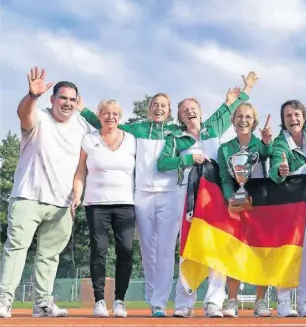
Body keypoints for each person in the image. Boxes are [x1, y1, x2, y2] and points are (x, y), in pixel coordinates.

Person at [75, 72, 254, 317]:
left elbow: (222, 113)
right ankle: (155, 300)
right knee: (149, 251)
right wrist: (83, 110)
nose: (159, 108)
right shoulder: (138, 129)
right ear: (151, 109)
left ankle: (183, 301)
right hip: (143, 196)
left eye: (164, 106)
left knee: (171, 249)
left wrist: (243, 92)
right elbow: (107, 124)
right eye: (155, 104)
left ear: (170, 113)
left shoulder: (182, 131)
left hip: (177, 195)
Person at [157, 73, 258, 318]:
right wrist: (187, 158)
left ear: (200, 112)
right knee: (189, 248)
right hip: (188, 197)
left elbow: (230, 109)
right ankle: (185, 302)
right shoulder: (176, 138)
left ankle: (214, 301)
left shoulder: (213, 128)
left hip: (215, 197)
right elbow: (162, 163)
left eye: (192, 108)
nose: (189, 112)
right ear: (180, 118)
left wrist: (246, 89)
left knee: (217, 247)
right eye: (184, 111)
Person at [0, 67, 92, 318]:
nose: (67, 103)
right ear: (52, 99)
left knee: (50, 256)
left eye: (73, 100)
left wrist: (77, 194)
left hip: (62, 203)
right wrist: (31, 95)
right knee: (17, 247)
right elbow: (23, 115)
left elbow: (80, 167)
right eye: (63, 98)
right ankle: (4, 298)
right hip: (28, 195)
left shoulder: (81, 127)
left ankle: (42, 303)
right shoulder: (38, 116)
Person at [72, 99, 136, 317]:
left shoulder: (132, 141)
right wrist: (77, 195)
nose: (110, 116)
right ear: (98, 116)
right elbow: (81, 172)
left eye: (115, 113)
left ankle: (120, 300)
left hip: (126, 204)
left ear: (120, 117)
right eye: (105, 113)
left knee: (125, 251)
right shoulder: (89, 139)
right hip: (96, 204)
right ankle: (99, 300)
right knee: (99, 250)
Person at [216, 104, 273, 318]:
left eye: (248, 117)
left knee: (262, 253)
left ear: (254, 121)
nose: (243, 120)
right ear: (233, 120)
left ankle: (260, 302)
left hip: (262, 204)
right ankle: (231, 301)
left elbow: (268, 153)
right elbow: (224, 178)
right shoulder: (225, 148)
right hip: (237, 204)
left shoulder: (262, 143)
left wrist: (267, 141)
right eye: (239, 116)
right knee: (235, 251)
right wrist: (231, 198)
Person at [268, 100, 306, 317]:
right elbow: (273, 171)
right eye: (288, 116)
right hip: (286, 201)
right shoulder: (280, 143)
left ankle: (304, 301)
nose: (293, 119)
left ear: (304, 116)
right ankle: (283, 301)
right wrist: (281, 170)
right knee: (287, 249)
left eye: (296, 114)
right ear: (284, 121)